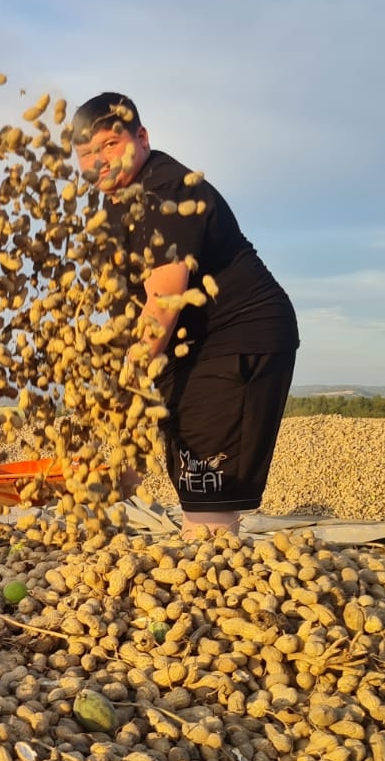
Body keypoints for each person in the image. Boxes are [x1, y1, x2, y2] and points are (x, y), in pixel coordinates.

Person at [68, 92, 299, 538]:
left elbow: (162, 305)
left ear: (142, 137)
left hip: (234, 341)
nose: (99, 161)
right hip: (182, 349)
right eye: (86, 153)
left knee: (208, 502)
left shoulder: (165, 194)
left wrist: (124, 390)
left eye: (110, 145)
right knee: (183, 474)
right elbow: (131, 310)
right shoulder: (115, 204)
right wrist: (116, 449)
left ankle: (214, 589)